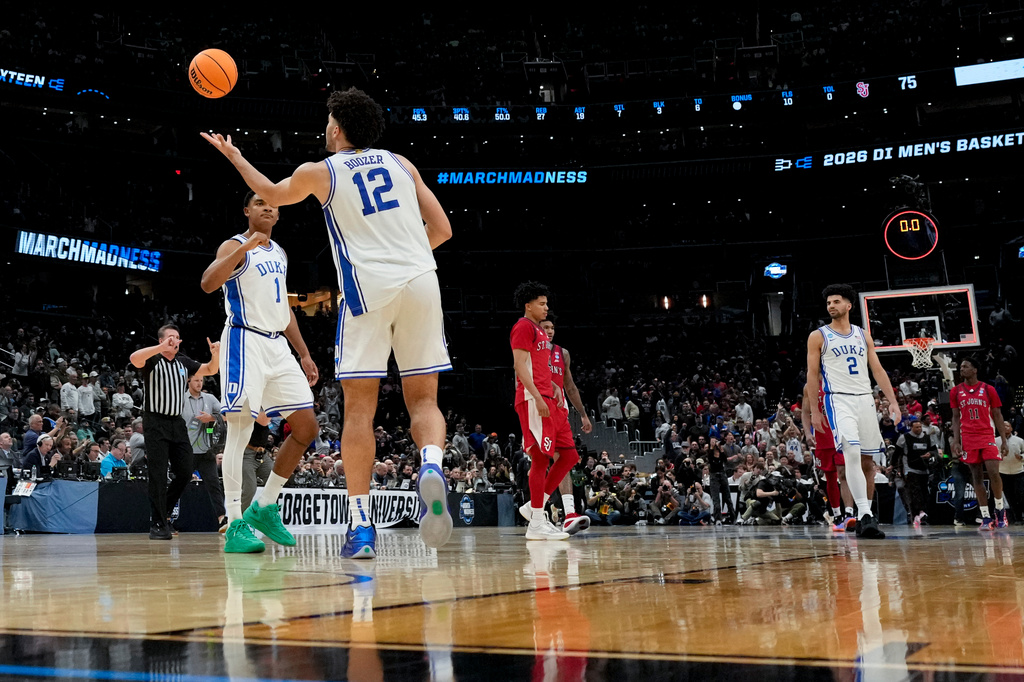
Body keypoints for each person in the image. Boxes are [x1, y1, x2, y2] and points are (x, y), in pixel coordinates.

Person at [203, 87, 453, 559]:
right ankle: (433, 464)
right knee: (424, 400)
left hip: (367, 290)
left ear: (336, 127)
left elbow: (273, 192)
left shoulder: (323, 171)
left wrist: (234, 155)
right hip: (422, 282)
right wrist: (406, 258)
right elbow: (442, 230)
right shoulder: (403, 164)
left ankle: (361, 528)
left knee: (360, 411)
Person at [200, 191, 322, 554]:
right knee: (239, 429)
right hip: (244, 340)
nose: (268, 208)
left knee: (306, 428)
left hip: (277, 346)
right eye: (259, 204)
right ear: (247, 211)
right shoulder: (236, 244)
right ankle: (234, 522)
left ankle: (265, 505)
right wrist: (245, 247)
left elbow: (282, 306)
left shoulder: (280, 253)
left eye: (273, 205)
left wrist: (303, 352)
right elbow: (208, 283)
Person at [805, 284, 899, 539]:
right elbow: (812, 375)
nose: (831, 306)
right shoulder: (819, 336)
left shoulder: (862, 334)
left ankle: (863, 515)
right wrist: (815, 410)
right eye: (828, 303)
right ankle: (864, 515)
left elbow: (877, 369)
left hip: (865, 399)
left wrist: (892, 401)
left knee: (868, 462)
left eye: (836, 302)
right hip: (839, 400)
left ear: (848, 305)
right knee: (852, 454)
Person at [129, 324, 220, 540]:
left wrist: (215, 355)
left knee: (185, 471)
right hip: (155, 421)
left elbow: (210, 370)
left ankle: (164, 513)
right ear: (161, 340)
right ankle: (158, 524)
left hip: (176, 423)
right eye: (171, 337)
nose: (175, 341)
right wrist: (160, 347)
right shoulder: (153, 359)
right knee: (158, 474)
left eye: (178, 337)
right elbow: (134, 358)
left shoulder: (183, 362)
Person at [510, 282, 578, 541]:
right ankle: (537, 521)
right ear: (528, 306)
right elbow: (519, 365)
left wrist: (552, 385)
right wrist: (538, 396)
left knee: (569, 456)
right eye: (541, 303)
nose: (546, 307)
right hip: (532, 399)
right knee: (540, 459)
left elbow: (536, 367)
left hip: (548, 397)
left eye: (546, 303)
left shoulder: (539, 332)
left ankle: (534, 508)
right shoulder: (523, 327)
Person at [539, 313, 593, 535]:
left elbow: (570, 387)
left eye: (552, 327)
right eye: (545, 327)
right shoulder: (531, 351)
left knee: (564, 459)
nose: (550, 331)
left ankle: (569, 512)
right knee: (542, 462)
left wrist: (582, 414)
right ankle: (537, 510)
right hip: (540, 409)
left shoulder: (563, 353)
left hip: (560, 412)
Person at [950, 356, 1010, 530]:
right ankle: (985, 516)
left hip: (986, 435)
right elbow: (955, 418)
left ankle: (1000, 510)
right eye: (961, 367)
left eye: (965, 366)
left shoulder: (988, 389)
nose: (962, 369)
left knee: (993, 473)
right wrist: (956, 441)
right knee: (976, 477)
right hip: (968, 437)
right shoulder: (956, 391)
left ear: (974, 370)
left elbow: (997, 415)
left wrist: (1003, 439)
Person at [802, 384, 855, 532]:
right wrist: (807, 433)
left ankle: (849, 513)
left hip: (840, 434)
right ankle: (837, 515)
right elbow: (806, 412)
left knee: (843, 473)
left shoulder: (836, 379)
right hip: (821, 437)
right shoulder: (809, 386)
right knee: (829, 477)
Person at [182, 374, 226, 531]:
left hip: (206, 451)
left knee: (214, 484)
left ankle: (222, 518)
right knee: (178, 484)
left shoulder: (210, 398)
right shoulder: (180, 399)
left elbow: (226, 414)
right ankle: (166, 517)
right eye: (196, 380)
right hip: (186, 450)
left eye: (201, 380)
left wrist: (212, 418)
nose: (199, 383)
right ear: (189, 381)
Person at [1000, 421, 1024, 523]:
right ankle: (1017, 518)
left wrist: (1021, 457)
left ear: (1011, 429)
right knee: (1010, 497)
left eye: (1007, 425)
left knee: (1021, 494)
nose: (1005, 427)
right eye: (1003, 425)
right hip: (1003, 472)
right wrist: (999, 457)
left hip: (1018, 471)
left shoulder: (1020, 440)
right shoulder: (996, 441)